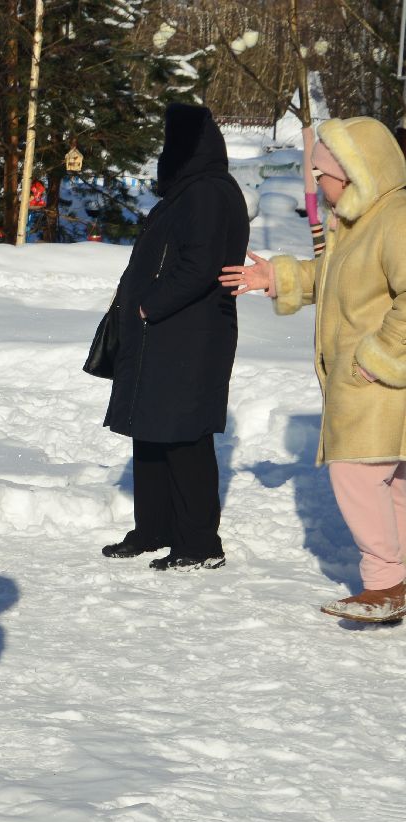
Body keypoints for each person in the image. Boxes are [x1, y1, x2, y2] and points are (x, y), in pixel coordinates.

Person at [221, 117, 406, 623]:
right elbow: (333, 276)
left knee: (356, 472)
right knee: (389, 479)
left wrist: (379, 357)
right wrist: (276, 276)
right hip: (377, 381)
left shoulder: (396, 218)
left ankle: (385, 584)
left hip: (380, 380)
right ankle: (397, 580)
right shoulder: (361, 220)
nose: (317, 186)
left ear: (351, 173)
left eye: (321, 174)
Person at [100, 104, 249, 571]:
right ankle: (155, 528)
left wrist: (151, 303)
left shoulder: (207, 192)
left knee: (185, 436)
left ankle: (200, 543)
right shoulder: (188, 192)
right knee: (150, 430)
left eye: (170, 143)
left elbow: (200, 264)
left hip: (190, 334)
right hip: (163, 334)